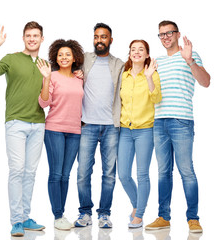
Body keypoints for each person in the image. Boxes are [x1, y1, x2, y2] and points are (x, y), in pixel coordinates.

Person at [145, 20, 210, 233]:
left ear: (177, 34)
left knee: (186, 171)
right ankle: (163, 217)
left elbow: (206, 81)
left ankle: (193, 218)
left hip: (181, 120)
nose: (165, 37)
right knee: (163, 172)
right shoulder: (157, 62)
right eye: (161, 34)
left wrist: (190, 60)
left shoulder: (189, 56)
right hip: (159, 121)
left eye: (169, 33)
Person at [0, 22, 46, 237]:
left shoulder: (45, 63)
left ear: (42, 39)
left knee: (30, 172)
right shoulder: (11, 59)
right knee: (17, 170)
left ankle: (26, 217)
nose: (32, 39)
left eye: (36, 35)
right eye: (28, 35)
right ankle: (16, 221)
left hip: (38, 123)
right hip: (16, 123)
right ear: (23, 38)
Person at [74, 23, 124, 229]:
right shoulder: (84, 59)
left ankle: (104, 214)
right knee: (83, 172)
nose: (99, 40)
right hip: (87, 125)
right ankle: (85, 213)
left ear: (111, 40)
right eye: (96, 36)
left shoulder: (120, 64)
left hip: (111, 126)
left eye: (104, 37)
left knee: (109, 174)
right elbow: (61, 62)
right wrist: (76, 73)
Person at [37, 39, 84, 230]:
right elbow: (43, 103)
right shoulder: (52, 76)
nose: (64, 57)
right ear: (56, 57)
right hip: (54, 129)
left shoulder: (80, 78)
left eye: (68, 55)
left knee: (66, 175)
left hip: (75, 131)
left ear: (74, 58)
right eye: (60, 55)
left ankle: (61, 214)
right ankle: (58, 216)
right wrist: (46, 78)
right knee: (56, 174)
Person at [117, 40, 162, 228]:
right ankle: (137, 205)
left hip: (145, 129)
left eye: (140, 50)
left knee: (142, 174)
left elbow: (157, 98)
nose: (136, 52)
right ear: (129, 54)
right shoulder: (124, 75)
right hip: (125, 130)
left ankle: (139, 214)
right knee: (123, 175)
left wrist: (150, 77)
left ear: (146, 54)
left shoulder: (153, 74)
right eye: (133, 50)